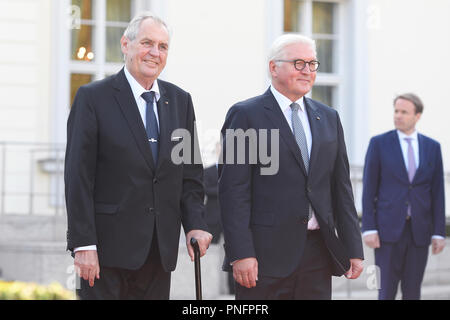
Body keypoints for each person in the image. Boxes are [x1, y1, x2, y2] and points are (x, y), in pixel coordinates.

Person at [64, 12, 212, 300]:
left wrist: (195, 222)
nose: (154, 53)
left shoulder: (180, 101)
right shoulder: (93, 98)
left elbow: (190, 175)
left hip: (159, 253)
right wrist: (83, 245)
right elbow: (78, 176)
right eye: (147, 43)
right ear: (125, 44)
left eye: (163, 46)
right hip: (104, 254)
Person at [218, 34, 364, 300]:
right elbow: (233, 191)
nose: (307, 71)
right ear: (274, 67)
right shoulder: (245, 115)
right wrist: (241, 253)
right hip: (263, 258)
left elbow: (341, 187)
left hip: (318, 255)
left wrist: (354, 246)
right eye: (298, 63)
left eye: (312, 64)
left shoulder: (328, 118)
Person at [362, 93, 446, 300]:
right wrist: (369, 228)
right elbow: (369, 189)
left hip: (419, 232)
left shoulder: (432, 147)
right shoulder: (379, 143)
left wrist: (438, 232)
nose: (398, 116)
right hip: (386, 233)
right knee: (384, 291)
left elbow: (437, 193)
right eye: (396, 111)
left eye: (404, 112)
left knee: (412, 292)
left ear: (417, 116)